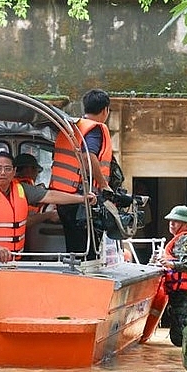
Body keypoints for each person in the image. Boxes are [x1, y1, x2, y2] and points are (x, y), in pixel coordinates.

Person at [0, 152, 96, 263]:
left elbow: (50, 195)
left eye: (7, 169)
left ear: (14, 171)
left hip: (14, 259)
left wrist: (82, 198)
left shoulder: (21, 188)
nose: (2, 173)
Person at [49, 89, 113, 258]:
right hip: (81, 199)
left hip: (62, 197)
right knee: (87, 253)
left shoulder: (71, 127)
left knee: (74, 248)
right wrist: (104, 185)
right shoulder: (95, 129)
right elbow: (88, 156)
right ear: (105, 110)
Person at [158, 205, 187, 347]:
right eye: (171, 220)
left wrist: (171, 264)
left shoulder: (185, 239)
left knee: (180, 335)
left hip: (184, 295)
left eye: (176, 221)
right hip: (184, 293)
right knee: (182, 333)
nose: (172, 223)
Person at [14, 152, 58, 227]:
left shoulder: (15, 185)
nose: (37, 174)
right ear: (28, 169)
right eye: (36, 170)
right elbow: (25, 220)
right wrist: (49, 215)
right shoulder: (21, 188)